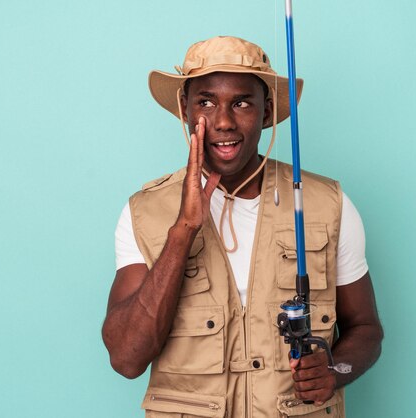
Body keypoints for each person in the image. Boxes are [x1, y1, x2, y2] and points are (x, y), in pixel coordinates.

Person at [102, 36, 383, 418]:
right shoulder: (144, 212)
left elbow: (366, 331)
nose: (223, 121)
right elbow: (126, 357)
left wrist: (335, 371)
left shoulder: (326, 204)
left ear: (267, 112)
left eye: (241, 103)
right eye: (205, 102)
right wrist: (184, 229)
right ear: (184, 108)